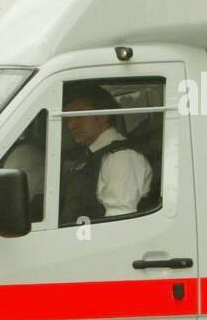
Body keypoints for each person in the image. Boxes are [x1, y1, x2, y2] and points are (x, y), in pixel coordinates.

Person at [58, 84, 153, 225]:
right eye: (68, 117)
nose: (71, 125)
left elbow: (118, 222)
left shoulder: (122, 159)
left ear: (103, 116)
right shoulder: (92, 156)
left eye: (78, 115)